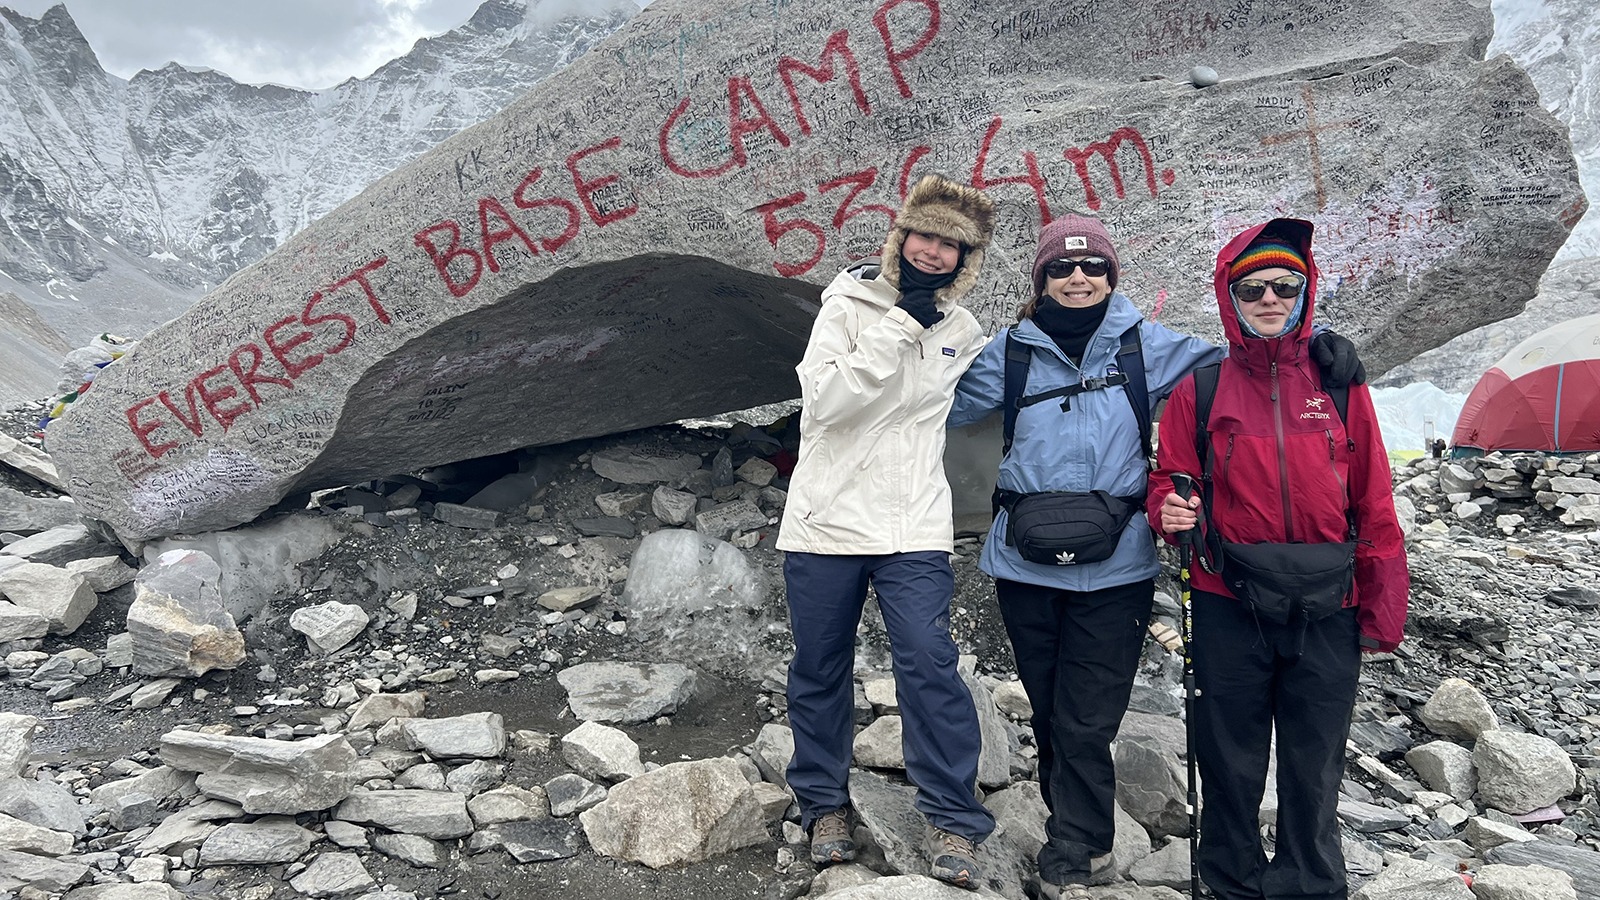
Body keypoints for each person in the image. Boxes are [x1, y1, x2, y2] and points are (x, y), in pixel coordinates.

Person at [947, 213, 1366, 898]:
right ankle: (1076, 830)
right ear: (1041, 278)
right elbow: (937, 402)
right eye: (1061, 267)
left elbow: (1245, 356)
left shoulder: (1148, 345)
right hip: (1025, 562)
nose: (1078, 278)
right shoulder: (1009, 353)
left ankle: (1080, 846)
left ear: (1111, 276)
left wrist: (1314, 347)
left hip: (1117, 563)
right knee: (1050, 709)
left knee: (1088, 716)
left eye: (1093, 267)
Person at [1149, 218, 1408, 900]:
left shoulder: (1341, 386)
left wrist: (1382, 610)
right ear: (1229, 297)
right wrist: (1167, 509)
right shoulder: (1200, 390)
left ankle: (1309, 883)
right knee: (1227, 756)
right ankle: (1232, 881)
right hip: (1228, 595)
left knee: (1314, 760)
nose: (1269, 298)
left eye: (1285, 286)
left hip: (1330, 601)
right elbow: (1171, 478)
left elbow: (1374, 499)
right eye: (1252, 287)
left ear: (1305, 292)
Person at [777, 173, 998, 889]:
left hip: (913, 523)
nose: (933, 251)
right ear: (900, 238)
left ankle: (952, 817)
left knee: (929, 663)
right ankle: (824, 805)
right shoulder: (846, 306)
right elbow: (827, 404)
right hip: (827, 522)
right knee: (820, 666)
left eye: (950, 244)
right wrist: (901, 324)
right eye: (923, 235)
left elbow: (989, 397)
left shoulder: (961, 329)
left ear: (966, 259)